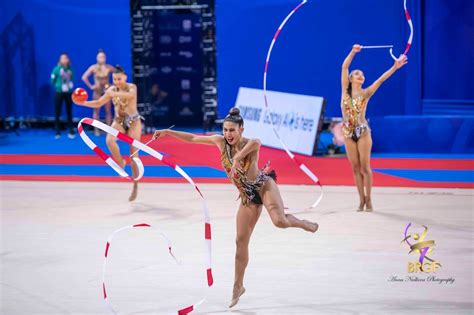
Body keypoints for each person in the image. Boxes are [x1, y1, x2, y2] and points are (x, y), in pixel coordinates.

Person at [153, 108, 319, 308]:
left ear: (241, 129)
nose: (228, 134)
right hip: (247, 197)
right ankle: (238, 285)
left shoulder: (250, 143)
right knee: (240, 242)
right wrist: (168, 132)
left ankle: (302, 223)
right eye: (225, 130)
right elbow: (192, 138)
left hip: (263, 186)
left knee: (279, 221)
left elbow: (257, 142)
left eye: (232, 130)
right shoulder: (219, 142)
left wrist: (239, 157)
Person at [341, 44, 408, 211]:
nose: (361, 76)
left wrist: (395, 66)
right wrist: (353, 52)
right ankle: (361, 200)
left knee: (365, 168)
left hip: (363, 133)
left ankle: (369, 199)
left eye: (362, 75)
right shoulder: (345, 91)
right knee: (355, 168)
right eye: (357, 74)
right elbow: (345, 66)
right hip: (348, 133)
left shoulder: (366, 93)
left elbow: (381, 79)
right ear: (350, 78)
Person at [74, 65, 142, 201]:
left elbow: (131, 95)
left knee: (134, 156)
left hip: (133, 122)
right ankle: (120, 162)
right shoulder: (112, 89)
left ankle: (135, 185)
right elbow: (99, 103)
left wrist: (113, 94)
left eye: (119, 79)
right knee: (109, 140)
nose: (117, 81)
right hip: (119, 121)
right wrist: (83, 103)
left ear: (125, 77)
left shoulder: (131, 87)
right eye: (115, 79)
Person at [81, 49, 115, 135]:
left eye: (103, 57)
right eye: (100, 57)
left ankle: (109, 130)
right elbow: (84, 77)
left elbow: (118, 75)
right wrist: (91, 86)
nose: (102, 58)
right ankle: (96, 130)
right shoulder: (93, 67)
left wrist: (112, 85)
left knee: (108, 111)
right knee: (96, 111)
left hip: (106, 91)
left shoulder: (109, 67)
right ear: (97, 58)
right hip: (97, 91)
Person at [51, 53, 75, 139]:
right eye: (62, 58)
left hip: (68, 93)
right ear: (60, 60)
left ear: (68, 60)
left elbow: (72, 79)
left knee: (69, 111)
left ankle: (71, 130)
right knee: (57, 111)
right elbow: (52, 79)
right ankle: (57, 131)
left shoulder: (70, 70)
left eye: (66, 58)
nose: (64, 60)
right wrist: (58, 87)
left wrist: (70, 86)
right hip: (59, 92)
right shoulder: (56, 69)